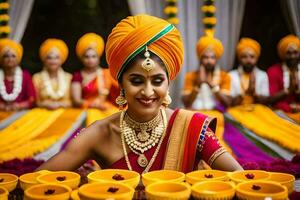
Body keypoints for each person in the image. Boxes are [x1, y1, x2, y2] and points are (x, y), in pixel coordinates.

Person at [37, 15, 242, 173]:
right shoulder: (101, 133)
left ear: (168, 82)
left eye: (157, 81)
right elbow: (34, 181)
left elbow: (240, 180)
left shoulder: (192, 127)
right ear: (121, 84)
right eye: (136, 81)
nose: (148, 92)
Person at [182, 36, 231, 110]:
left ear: (216, 59)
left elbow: (227, 103)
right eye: (205, 57)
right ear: (200, 59)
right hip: (195, 113)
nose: (209, 61)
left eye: (212, 57)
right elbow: (186, 103)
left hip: (216, 114)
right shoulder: (190, 76)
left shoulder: (224, 76)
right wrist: (198, 85)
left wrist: (212, 86)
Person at [71, 32, 117, 110]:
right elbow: (76, 101)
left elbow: (119, 93)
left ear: (98, 57)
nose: (90, 60)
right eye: (87, 57)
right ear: (82, 59)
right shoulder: (77, 76)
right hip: (86, 110)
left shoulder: (107, 74)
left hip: (106, 108)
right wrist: (93, 105)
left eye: (93, 56)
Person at [33, 39, 72, 109]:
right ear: (44, 60)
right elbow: (35, 102)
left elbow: (72, 102)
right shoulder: (37, 77)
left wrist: (60, 104)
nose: (53, 61)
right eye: (49, 58)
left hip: (66, 114)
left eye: (57, 58)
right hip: (41, 114)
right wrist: (44, 104)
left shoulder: (69, 77)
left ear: (62, 60)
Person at [230, 38, 270, 106]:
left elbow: (266, 102)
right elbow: (231, 103)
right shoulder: (231, 75)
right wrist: (246, 92)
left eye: (252, 57)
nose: (248, 60)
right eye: (244, 57)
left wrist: (253, 93)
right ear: (239, 59)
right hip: (237, 110)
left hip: (258, 110)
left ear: (257, 58)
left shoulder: (262, 75)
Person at [0, 39, 35, 111]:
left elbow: (31, 98)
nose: (10, 59)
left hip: (20, 115)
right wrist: (2, 106)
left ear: (18, 59)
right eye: (6, 56)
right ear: (1, 59)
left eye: (13, 56)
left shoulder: (25, 75)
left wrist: (20, 106)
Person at [267, 35, 300, 113]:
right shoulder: (273, 71)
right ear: (282, 54)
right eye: (288, 53)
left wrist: (297, 88)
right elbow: (271, 100)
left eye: (295, 52)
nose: (292, 56)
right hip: (281, 113)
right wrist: (288, 90)